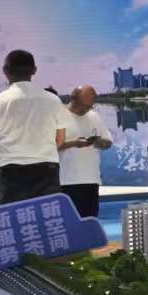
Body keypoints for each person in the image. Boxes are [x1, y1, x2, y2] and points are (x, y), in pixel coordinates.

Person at [0, 49, 65, 204]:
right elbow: (60, 140)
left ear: (5, 71)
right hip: (47, 169)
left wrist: (8, 157)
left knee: (14, 216)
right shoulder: (53, 100)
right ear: (34, 70)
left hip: (11, 170)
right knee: (46, 215)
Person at [57, 85, 113, 219]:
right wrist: (74, 143)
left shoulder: (94, 116)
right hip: (66, 181)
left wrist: (98, 142)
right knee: (68, 222)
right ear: (73, 99)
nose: (86, 110)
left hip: (91, 179)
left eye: (90, 106)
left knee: (90, 221)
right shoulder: (59, 116)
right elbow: (50, 147)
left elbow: (108, 143)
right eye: (84, 106)